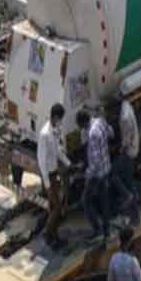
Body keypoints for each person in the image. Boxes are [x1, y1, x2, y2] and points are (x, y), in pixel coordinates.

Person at [37, 103, 72, 250]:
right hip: (49, 175)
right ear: (56, 117)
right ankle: (48, 234)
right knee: (57, 208)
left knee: (53, 207)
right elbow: (42, 160)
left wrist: (68, 163)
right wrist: (47, 184)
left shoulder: (53, 130)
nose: (61, 122)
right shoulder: (45, 134)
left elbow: (57, 151)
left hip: (54, 173)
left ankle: (54, 235)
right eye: (60, 119)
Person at [77, 108, 113, 246]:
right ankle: (107, 232)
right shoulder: (100, 121)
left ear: (84, 123)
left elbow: (95, 162)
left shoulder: (92, 135)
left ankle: (97, 231)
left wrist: (86, 174)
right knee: (104, 202)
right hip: (106, 168)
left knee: (85, 201)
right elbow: (111, 132)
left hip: (97, 174)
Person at [112, 99, 140, 226]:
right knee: (129, 182)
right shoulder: (126, 104)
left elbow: (126, 141)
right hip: (131, 149)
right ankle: (135, 218)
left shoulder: (124, 118)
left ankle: (127, 196)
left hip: (129, 152)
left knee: (113, 174)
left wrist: (117, 149)